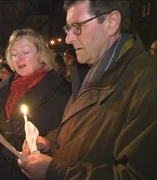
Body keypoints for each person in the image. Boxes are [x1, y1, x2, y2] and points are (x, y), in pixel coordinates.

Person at [17, 1, 157, 179]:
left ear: (111, 22)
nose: (68, 39)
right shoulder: (88, 71)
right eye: (68, 29)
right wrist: (51, 142)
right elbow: (83, 129)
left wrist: (54, 171)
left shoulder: (148, 81)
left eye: (77, 27)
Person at [0, 28, 71, 180]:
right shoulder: (5, 87)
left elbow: (63, 140)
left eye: (25, 52)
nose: (18, 58)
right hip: (2, 171)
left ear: (41, 55)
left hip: (33, 173)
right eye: (14, 54)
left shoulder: (59, 89)